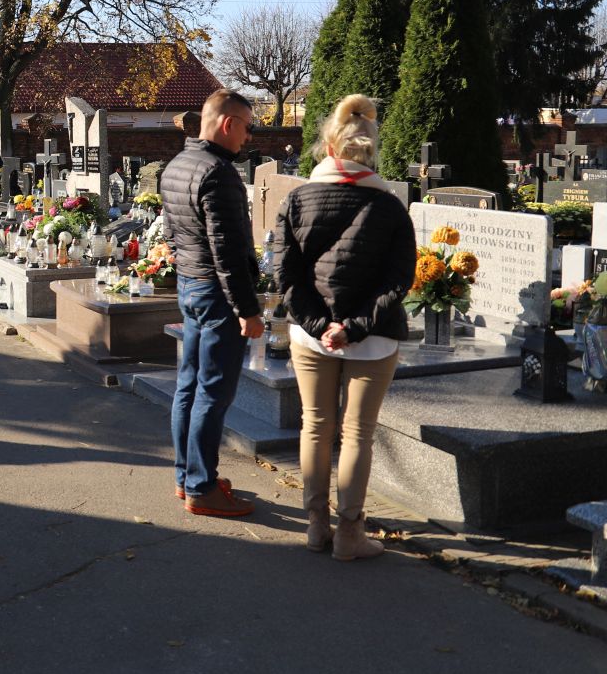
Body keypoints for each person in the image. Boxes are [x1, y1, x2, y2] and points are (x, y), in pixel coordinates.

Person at [275, 94, 415, 560]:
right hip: (372, 338)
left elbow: (285, 276)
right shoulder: (390, 206)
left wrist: (318, 326)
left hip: (309, 336)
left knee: (314, 427)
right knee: (357, 433)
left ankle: (316, 526)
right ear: (371, 149)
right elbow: (399, 279)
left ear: (329, 147)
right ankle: (350, 534)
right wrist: (351, 329)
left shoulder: (297, 200)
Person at [159, 89, 263, 517]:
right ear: (227, 124)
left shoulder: (177, 164)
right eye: (248, 127)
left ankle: (187, 477)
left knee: (189, 384)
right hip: (218, 293)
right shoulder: (219, 173)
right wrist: (247, 310)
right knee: (212, 392)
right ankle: (202, 488)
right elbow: (228, 250)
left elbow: (170, 234)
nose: (249, 137)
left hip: (190, 284)